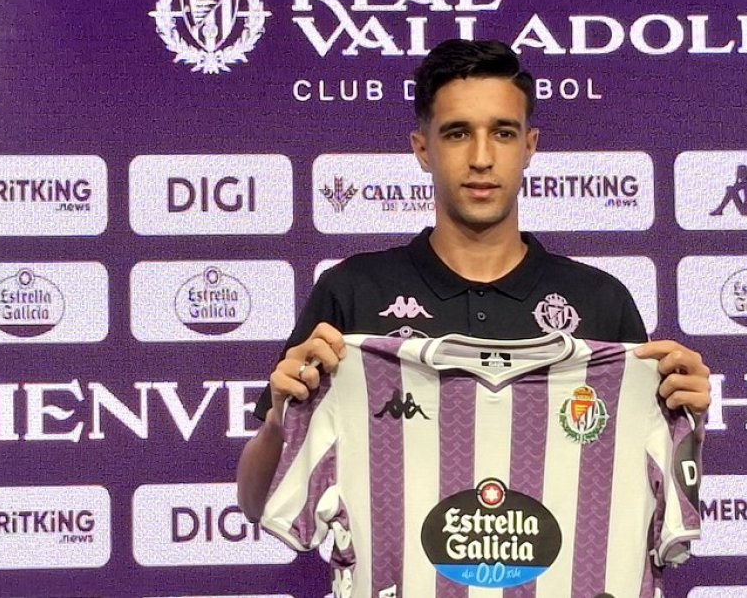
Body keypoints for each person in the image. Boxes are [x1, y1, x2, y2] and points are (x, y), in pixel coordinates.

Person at [238, 38, 711, 521]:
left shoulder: (599, 301)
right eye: (458, 133)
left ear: (530, 147)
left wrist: (685, 426)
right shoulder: (354, 292)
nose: (482, 157)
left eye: (503, 133)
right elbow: (259, 507)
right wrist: (279, 422)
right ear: (422, 149)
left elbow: (652, 507)